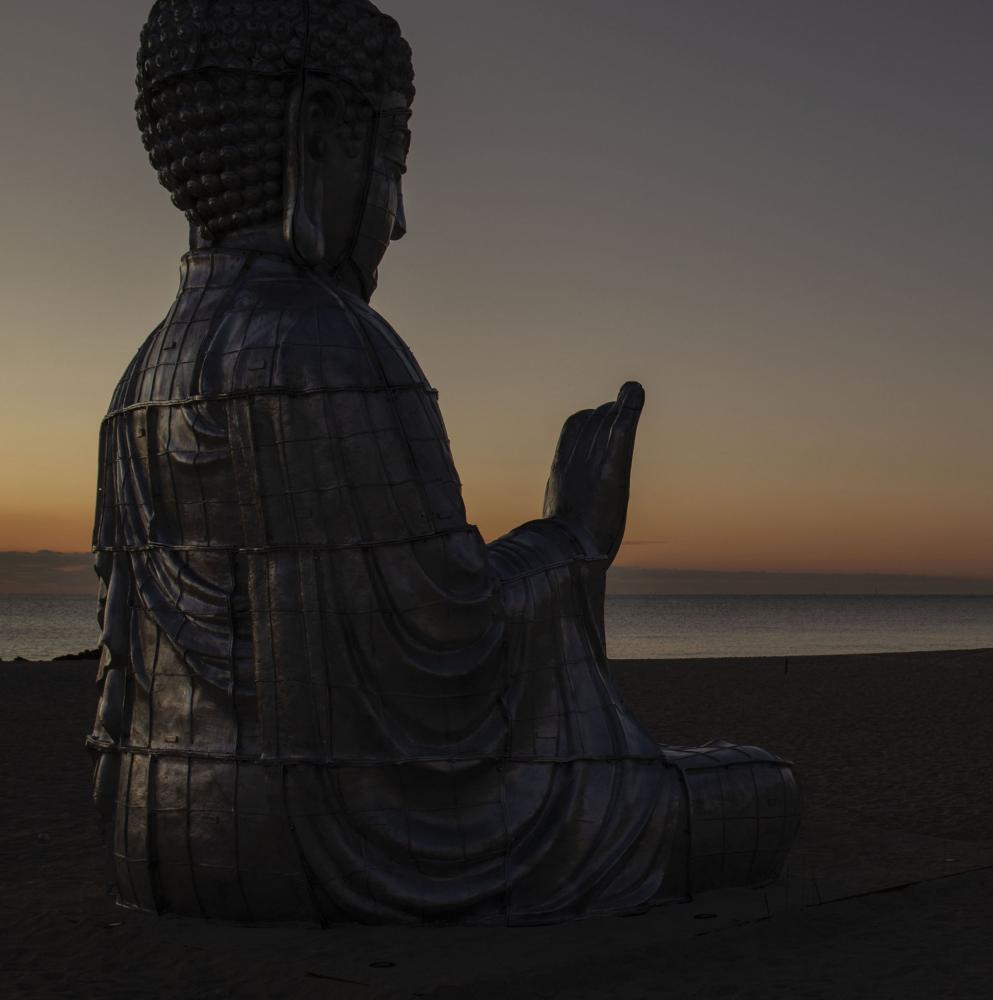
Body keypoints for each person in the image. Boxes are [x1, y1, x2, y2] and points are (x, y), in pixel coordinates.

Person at [88, 0, 799, 924]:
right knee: (759, 787)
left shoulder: (140, 379)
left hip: (163, 836)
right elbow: (452, 647)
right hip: (340, 845)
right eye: (387, 164)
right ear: (312, 137)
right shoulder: (333, 350)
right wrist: (575, 534)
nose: (401, 215)